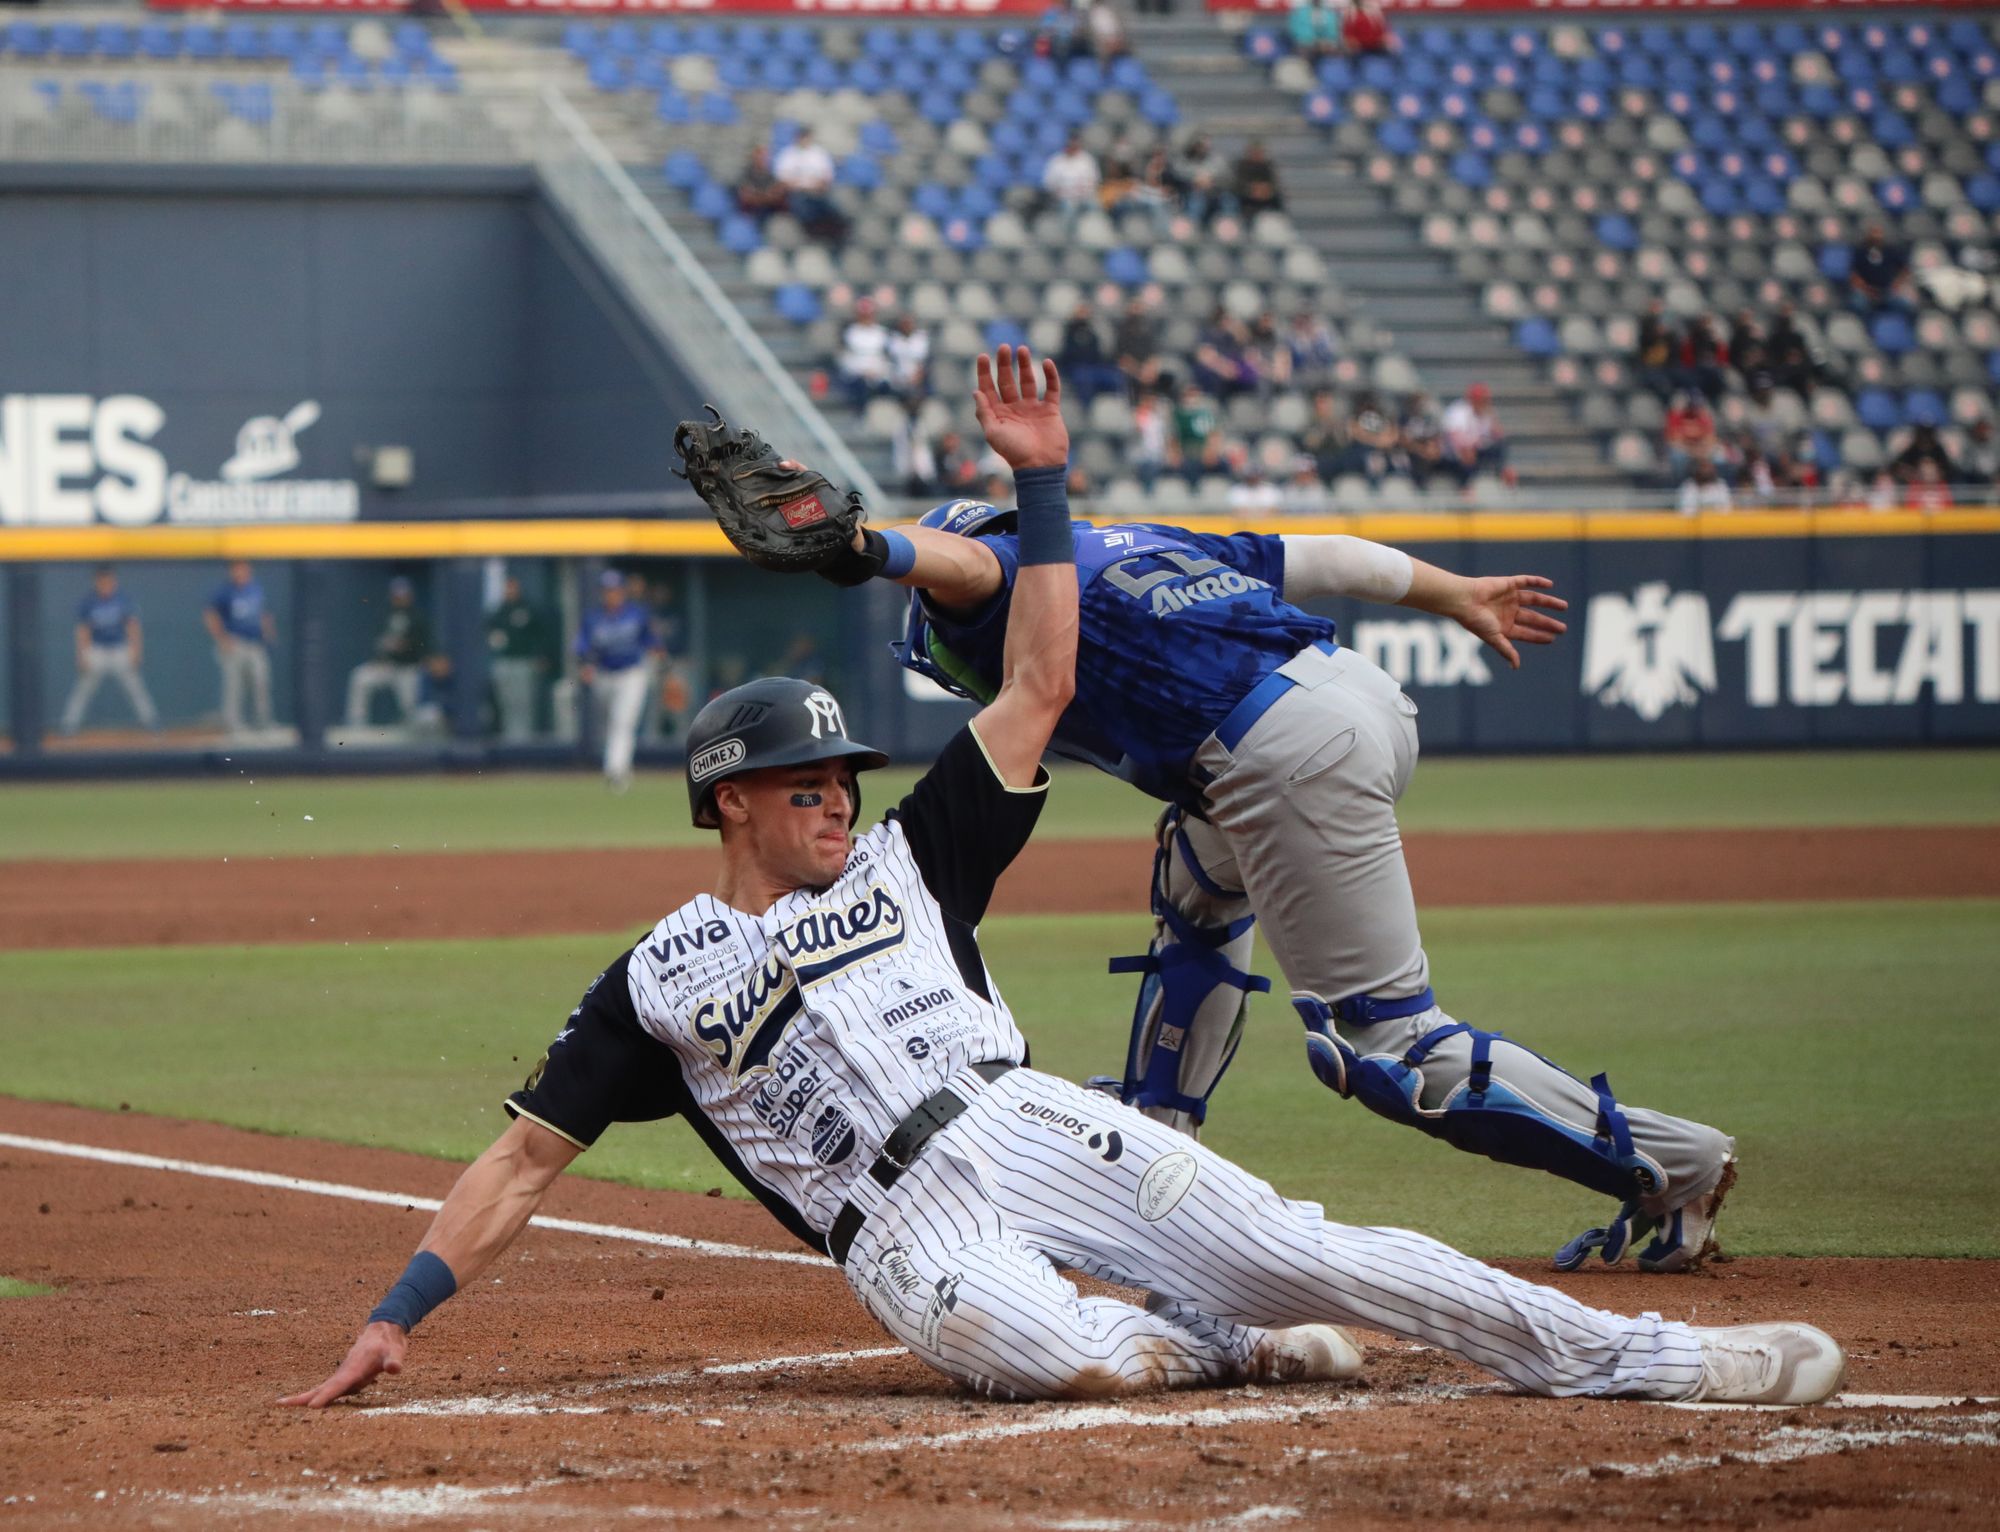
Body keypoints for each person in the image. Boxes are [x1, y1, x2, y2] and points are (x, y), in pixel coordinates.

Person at [285, 348, 1845, 1414]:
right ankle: (1220, 1339)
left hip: (1036, 1121)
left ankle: (1641, 1357)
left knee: (1328, 1249)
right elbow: (518, 1168)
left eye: (844, 773)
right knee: (1076, 1356)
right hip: (903, 1231)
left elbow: (1032, 670)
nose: (841, 795)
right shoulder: (659, 978)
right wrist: (394, 1316)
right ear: (731, 801)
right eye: (809, 782)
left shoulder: (916, 852)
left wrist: (1034, 491)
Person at [877, 490, 1741, 1277]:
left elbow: (960, 563)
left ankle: (1675, 1165)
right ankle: (1157, 1130)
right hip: (1354, 698)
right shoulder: (1136, 542)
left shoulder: (1001, 572)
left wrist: (856, 543)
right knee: (1199, 875)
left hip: (1286, 752)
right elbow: (1333, 557)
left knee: (1387, 1050)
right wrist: (1454, 595)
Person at [575, 568, 665, 791]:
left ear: (622, 591)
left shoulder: (637, 614)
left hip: (631, 674)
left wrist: (662, 662)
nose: (611, 594)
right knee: (610, 723)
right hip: (604, 675)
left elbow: (652, 643)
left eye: (614, 590)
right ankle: (617, 766)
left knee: (623, 722)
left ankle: (616, 771)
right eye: (607, 590)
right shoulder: (593, 618)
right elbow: (581, 647)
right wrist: (585, 666)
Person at [60, 564, 159, 735]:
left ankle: (151, 722)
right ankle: (69, 725)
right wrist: (82, 655)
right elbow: (83, 630)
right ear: (96, 581)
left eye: (109, 580)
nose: (106, 584)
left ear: (114, 580)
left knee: (135, 688)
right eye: (102, 580)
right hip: (97, 650)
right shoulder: (89, 601)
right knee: (83, 690)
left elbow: (132, 626)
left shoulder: (122, 599)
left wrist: (136, 650)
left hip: (120, 649)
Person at [346, 576, 435, 728]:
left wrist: (406, 646)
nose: (399, 599)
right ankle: (356, 723)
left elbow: (424, 647)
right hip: (386, 666)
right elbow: (379, 642)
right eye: (396, 596)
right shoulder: (385, 615)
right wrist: (380, 656)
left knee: (410, 708)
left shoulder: (418, 618)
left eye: (402, 595)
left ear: (409, 596)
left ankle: (413, 731)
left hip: (408, 668)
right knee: (361, 678)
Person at [204, 560, 275, 737]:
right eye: (236, 570)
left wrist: (268, 631)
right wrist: (221, 638)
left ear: (248, 570)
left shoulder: (256, 588)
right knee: (234, 685)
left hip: (255, 643)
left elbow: (263, 613)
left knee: (261, 681)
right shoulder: (225, 591)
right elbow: (210, 614)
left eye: (242, 569)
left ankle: (263, 722)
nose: (239, 573)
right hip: (235, 642)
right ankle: (233, 724)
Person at [487, 574, 554, 744]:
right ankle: (510, 739)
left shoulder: (527, 608)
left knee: (523, 702)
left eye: (512, 587)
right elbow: (490, 632)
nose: (510, 591)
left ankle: (523, 741)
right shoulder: (499, 610)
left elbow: (540, 634)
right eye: (507, 588)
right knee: (505, 702)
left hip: (524, 661)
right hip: (504, 661)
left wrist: (541, 656)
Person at [773, 127, 845, 246]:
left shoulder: (819, 154)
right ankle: (813, 236)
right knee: (804, 209)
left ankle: (833, 237)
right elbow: (784, 181)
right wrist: (805, 185)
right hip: (796, 193)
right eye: (802, 138)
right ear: (797, 138)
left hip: (817, 192)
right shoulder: (787, 154)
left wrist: (809, 185)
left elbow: (826, 178)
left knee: (832, 209)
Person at [1442, 382, 1513, 488]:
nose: (1486, 403)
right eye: (1483, 400)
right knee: (1466, 455)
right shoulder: (1459, 411)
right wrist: (1467, 446)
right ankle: (1464, 487)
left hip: (1475, 449)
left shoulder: (1485, 413)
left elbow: (1498, 435)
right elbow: (1453, 436)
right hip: (1456, 452)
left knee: (1500, 445)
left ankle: (1502, 471)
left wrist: (1492, 418)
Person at [1057, 301, 1127, 405]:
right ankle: (1087, 412)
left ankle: (1115, 407)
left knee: (1114, 377)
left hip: (1094, 366)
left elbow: (1098, 352)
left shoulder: (1092, 330)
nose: (1083, 314)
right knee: (1085, 378)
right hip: (1076, 367)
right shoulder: (1069, 330)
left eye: (1085, 311)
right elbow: (1066, 353)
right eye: (1080, 311)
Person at [836, 297, 895, 412]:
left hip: (878, 374)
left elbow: (886, 358)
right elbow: (845, 359)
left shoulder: (881, 333)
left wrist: (878, 371)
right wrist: (861, 371)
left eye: (868, 314)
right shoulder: (850, 333)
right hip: (857, 375)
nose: (866, 318)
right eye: (863, 315)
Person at [1042, 131, 1100, 233]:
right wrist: (1060, 193)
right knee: (1069, 208)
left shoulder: (1087, 160)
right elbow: (1049, 184)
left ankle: (1094, 233)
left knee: (1095, 206)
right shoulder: (1056, 161)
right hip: (1064, 198)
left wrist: (1085, 191)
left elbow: (1094, 180)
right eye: (1070, 145)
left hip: (1084, 197)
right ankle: (1068, 236)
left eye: (1075, 145)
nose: (1073, 147)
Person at [1850, 222, 1913, 314]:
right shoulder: (1860, 252)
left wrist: (1896, 285)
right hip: (1866, 292)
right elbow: (1853, 273)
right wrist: (1866, 289)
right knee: (1858, 304)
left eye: (1879, 233)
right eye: (1874, 233)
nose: (1876, 236)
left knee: (1905, 305)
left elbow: (1905, 269)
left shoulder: (1890, 251)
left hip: (1887, 291)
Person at [1113, 296, 1165, 397]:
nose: (1137, 311)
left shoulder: (1148, 328)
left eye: (1139, 307)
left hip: (1146, 368)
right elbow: (1122, 358)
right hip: (1131, 369)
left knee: (1165, 378)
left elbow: (1154, 352)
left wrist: (1151, 368)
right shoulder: (1121, 330)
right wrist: (1139, 372)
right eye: (1134, 307)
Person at [1398, 392, 1445, 490]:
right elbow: (1403, 440)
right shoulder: (1405, 419)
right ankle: (1419, 487)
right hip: (1410, 452)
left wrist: (1433, 449)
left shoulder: (1429, 419)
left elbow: (1435, 437)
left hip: (1426, 451)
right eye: (1419, 403)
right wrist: (1421, 450)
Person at [1633, 299, 1675, 402]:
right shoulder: (1646, 323)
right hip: (1648, 363)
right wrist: (1656, 333)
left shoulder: (1665, 325)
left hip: (1662, 364)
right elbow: (1643, 342)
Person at [735, 144, 788, 224]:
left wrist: (762, 196)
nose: (764, 159)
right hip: (752, 212)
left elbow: (778, 193)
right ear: (754, 157)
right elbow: (746, 197)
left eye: (766, 157)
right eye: (760, 156)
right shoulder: (746, 174)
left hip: (769, 209)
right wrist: (767, 196)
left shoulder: (770, 174)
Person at [1232, 140, 1284, 219]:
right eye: (1254, 152)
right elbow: (1236, 184)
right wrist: (1252, 189)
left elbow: (1274, 184)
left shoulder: (1268, 166)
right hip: (1245, 198)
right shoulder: (1241, 166)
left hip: (1265, 197)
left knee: (1277, 199)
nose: (1257, 154)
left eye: (1259, 152)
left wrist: (1265, 190)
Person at [886, 312, 931, 401]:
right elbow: (889, 362)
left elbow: (925, 362)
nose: (907, 326)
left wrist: (918, 376)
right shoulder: (893, 340)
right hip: (897, 379)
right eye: (904, 323)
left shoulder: (921, 339)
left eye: (909, 323)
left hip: (917, 379)